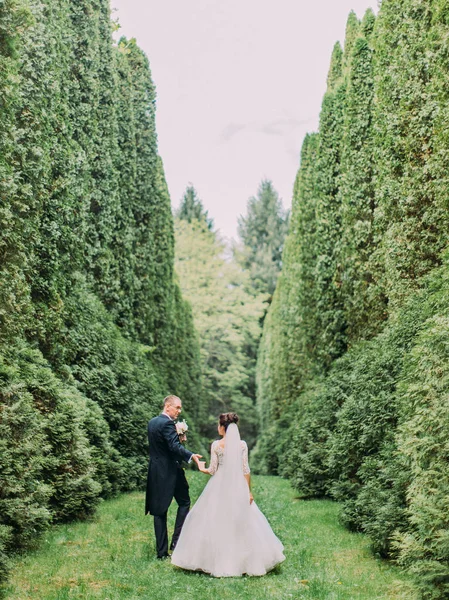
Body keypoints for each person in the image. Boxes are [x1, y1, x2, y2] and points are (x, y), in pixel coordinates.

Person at [171, 412, 285, 577]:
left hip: (219, 485)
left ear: (223, 428)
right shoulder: (242, 445)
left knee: (214, 519)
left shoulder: (217, 445)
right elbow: (246, 470)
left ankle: (213, 560)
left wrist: (201, 467)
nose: (218, 427)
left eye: (219, 425)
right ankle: (246, 560)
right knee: (242, 520)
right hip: (238, 484)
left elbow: (212, 470)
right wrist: (249, 491)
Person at [145, 395, 202, 559]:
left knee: (158, 510)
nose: (179, 410)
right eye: (177, 407)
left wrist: (178, 438)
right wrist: (191, 456)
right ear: (167, 406)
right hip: (171, 470)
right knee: (184, 502)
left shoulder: (152, 423)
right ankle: (177, 543)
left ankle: (161, 553)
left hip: (156, 470)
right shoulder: (168, 423)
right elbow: (173, 447)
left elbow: (164, 446)